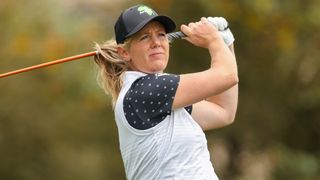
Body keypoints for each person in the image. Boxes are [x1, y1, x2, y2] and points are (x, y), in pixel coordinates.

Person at [94, 4, 238, 180]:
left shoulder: (162, 96)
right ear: (124, 52)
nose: (156, 43)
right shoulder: (145, 91)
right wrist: (214, 41)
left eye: (161, 35)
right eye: (145, 37)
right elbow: (227, 76)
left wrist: (226, 44)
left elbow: (223, 112)